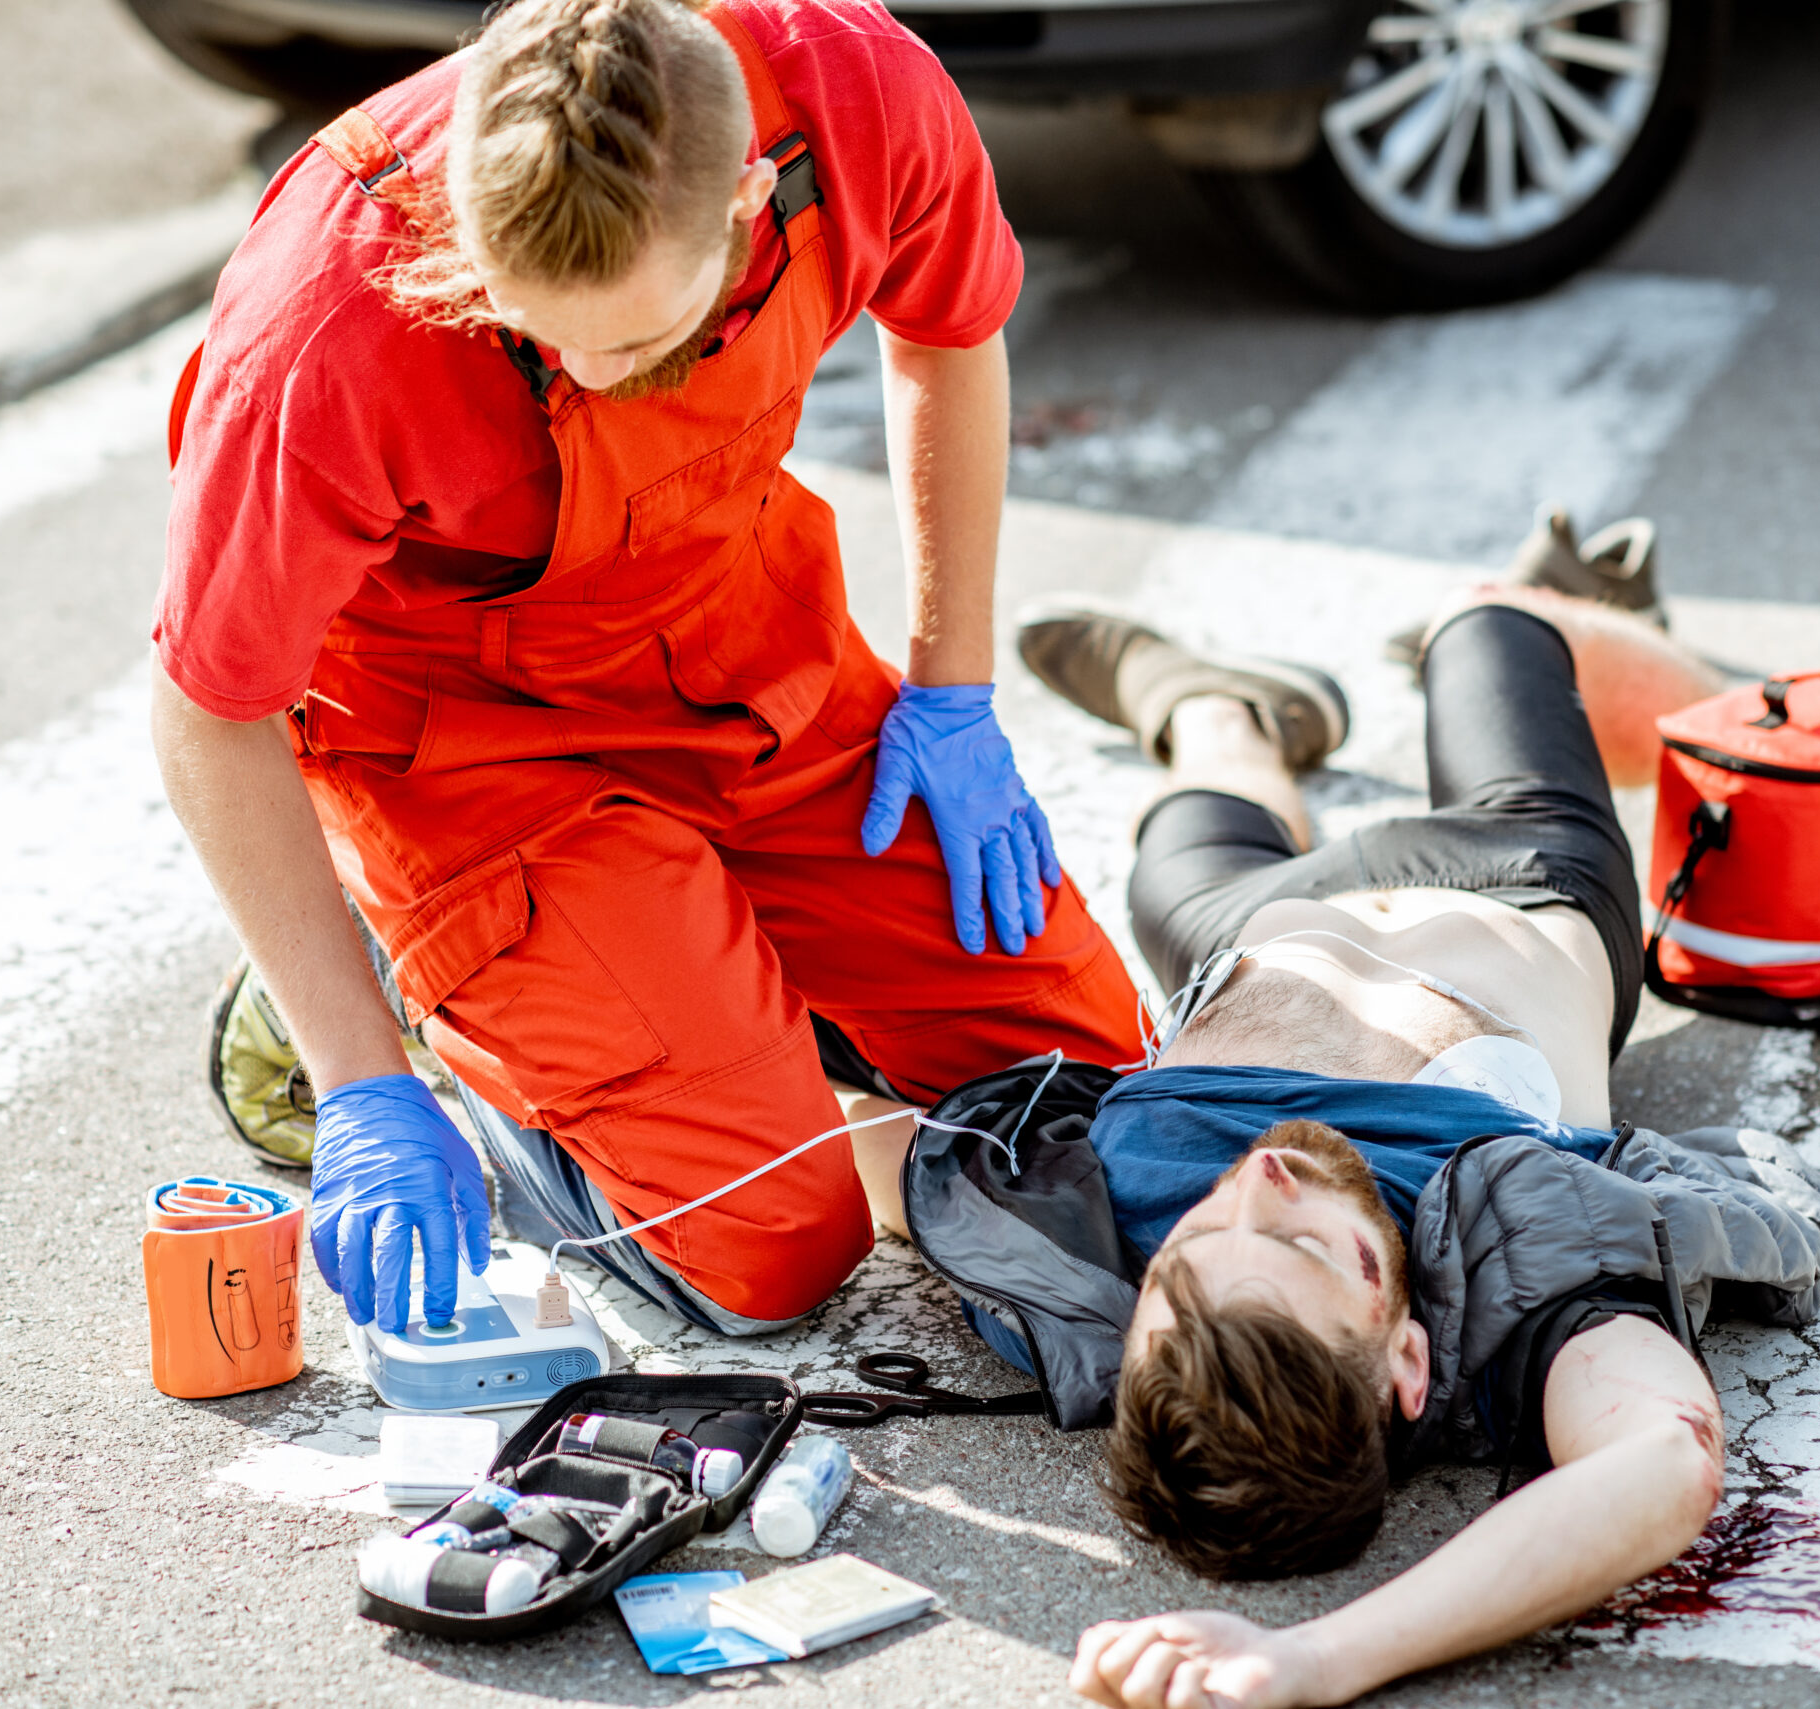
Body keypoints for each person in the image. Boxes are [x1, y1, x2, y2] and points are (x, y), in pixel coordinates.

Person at [151, 0, 1143, 1340]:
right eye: (540, 327)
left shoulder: (861, 99)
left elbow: (951, 330)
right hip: (467, 749)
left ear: (744, 205)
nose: (589, 369)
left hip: (742, 648)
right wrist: (359, 1087)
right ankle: (409, 983)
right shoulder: (329, 316)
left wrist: (948, 692)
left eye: (628, 338)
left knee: (1095, 1106)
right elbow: (210, 710)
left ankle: (698, 999)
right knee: (773, 1247)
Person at [1009, 580, 1820, 1707]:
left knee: (1199, 789)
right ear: (1406, 1361)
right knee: (1493, 622)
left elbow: (865, 1156)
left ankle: (1211, 704)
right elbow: (1661, 1464)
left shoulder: (1075, 1265)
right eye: (1309, 1250)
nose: (1260, 1180)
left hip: (1241, 916)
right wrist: (1316, 1656)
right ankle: (1790, 735)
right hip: (1512, 866)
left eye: (1193, 1242)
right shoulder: (1523, 1284)